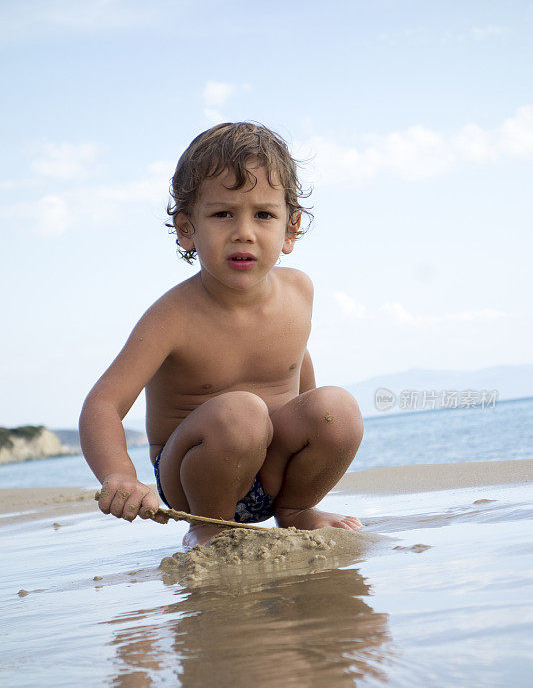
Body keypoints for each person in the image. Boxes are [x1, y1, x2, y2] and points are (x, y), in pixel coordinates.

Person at [79, 122, 364, 547]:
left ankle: (297, 511)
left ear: (291, 230)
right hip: (195, 481)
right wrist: (119, 474)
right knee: (241, 414)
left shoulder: (298, 291)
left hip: (274, 474)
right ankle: (208, 529)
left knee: (336, 409)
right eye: (222, 214)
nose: (244, 231)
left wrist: (312, 432)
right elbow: (102, 405)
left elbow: (296, 362)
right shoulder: (173, 316)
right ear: (187, 230)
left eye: (264, 214)